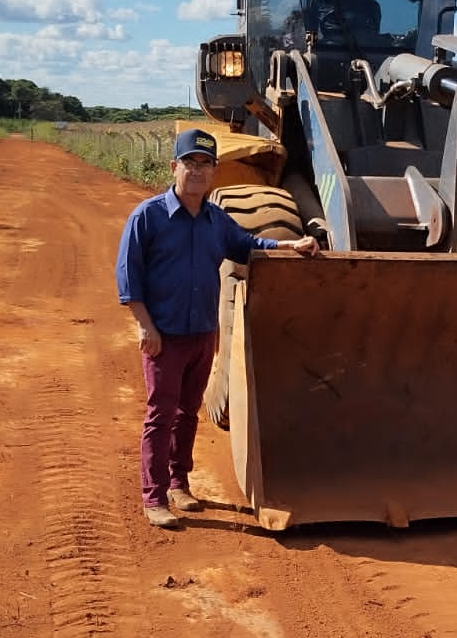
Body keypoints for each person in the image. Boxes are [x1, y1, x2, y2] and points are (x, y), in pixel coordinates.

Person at [116, 127, 320, 529]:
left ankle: (179, 482)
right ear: (174, 167)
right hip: (165, 335)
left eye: (206, 164)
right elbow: (128, 278)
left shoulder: (215, 220)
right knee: (161, 414)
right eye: (190, 163)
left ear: (213, 173)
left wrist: (287, 245)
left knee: (188, 413)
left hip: (201, 333)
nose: (197, 171)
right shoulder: (149, 217)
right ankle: (153, 497)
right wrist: (145, 327)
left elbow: (248, 244)